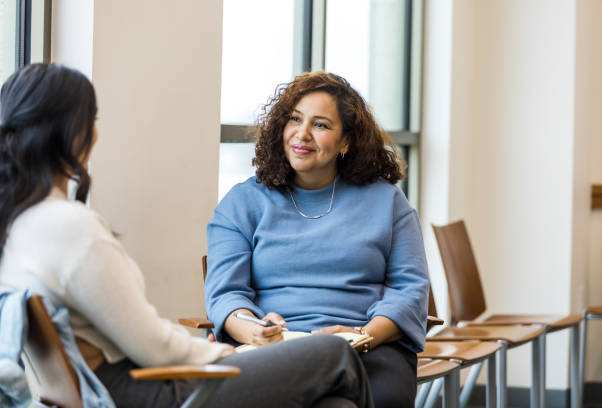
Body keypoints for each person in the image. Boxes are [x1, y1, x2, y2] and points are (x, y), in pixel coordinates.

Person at [0, 64, 374, 408]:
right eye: (91, 118)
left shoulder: (19, 225)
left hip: (115, 390)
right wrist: (223, 355)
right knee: (334, 354)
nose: (96, 130)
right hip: (150, 393)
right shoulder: (70, 228)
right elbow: (151, 345)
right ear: (69, 131)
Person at [206, 71, 430, 407]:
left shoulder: (387, 202)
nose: (303, 134)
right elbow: (226, 293)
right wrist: (252, 329)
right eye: (295, 119)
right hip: (273, 351)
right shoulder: (241, 204)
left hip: (370, 348)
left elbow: (409, 289)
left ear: (346, 141)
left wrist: (364, 336)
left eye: (321, 125)